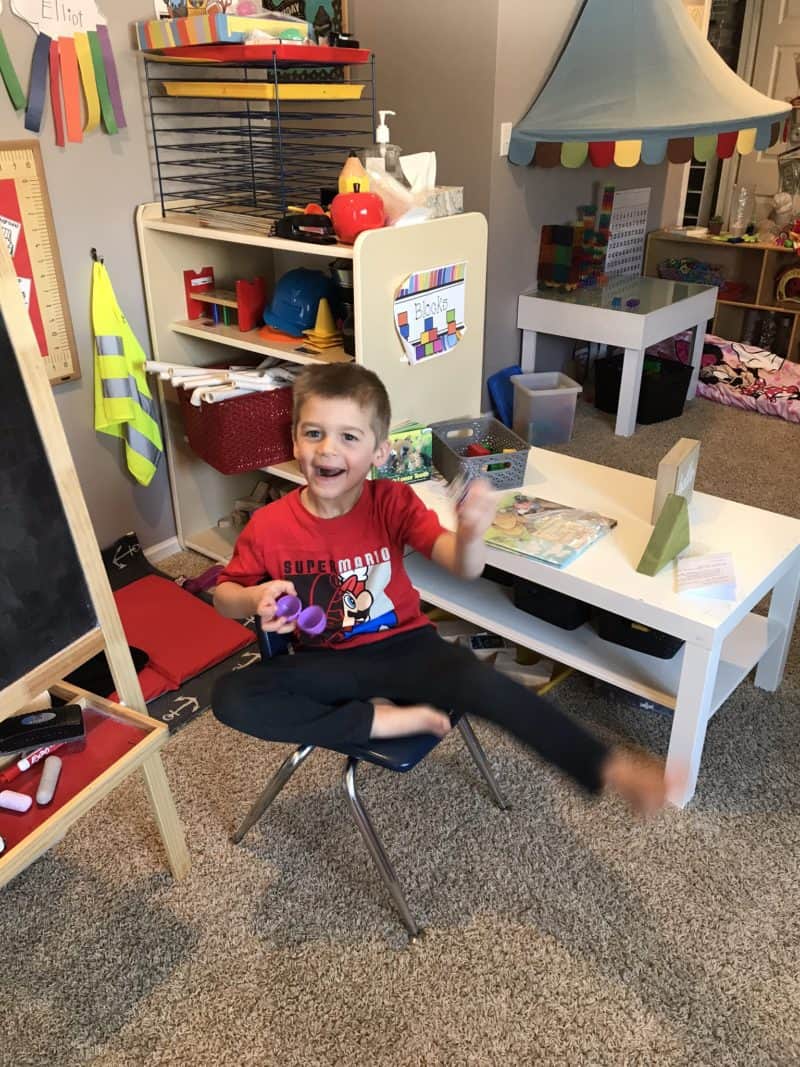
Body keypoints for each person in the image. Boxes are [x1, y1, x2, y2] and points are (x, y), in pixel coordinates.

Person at [212, 364, 669, 813]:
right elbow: (223, 596)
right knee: (232, 696)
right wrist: (253, 598)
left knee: (487, 684)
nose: (328, 449)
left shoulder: (391, 501)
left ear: (379, 452)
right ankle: (375, 720)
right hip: (324, 660)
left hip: (406, 650)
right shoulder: (270, 525)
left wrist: (471, 533)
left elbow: (462, 566)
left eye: (349, 436)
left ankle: (607, 768)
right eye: (313, 433)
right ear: (294, 440)